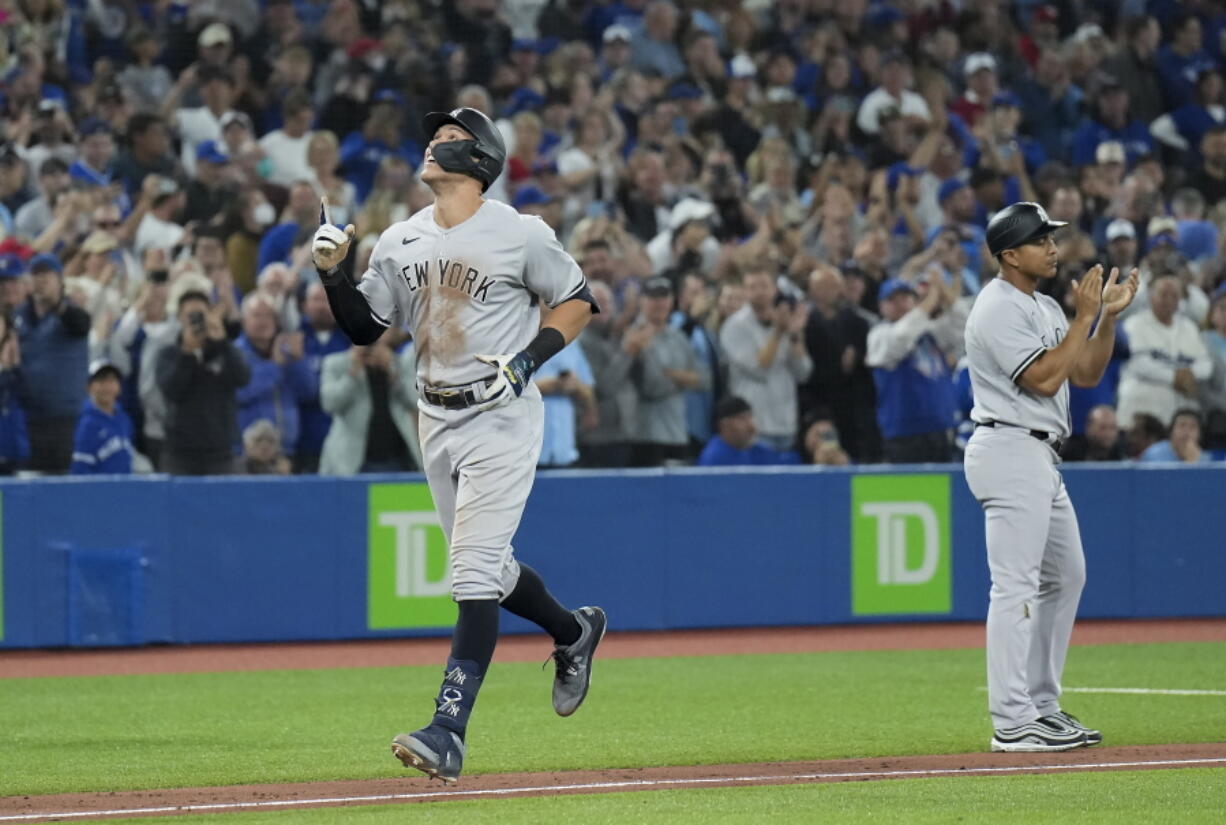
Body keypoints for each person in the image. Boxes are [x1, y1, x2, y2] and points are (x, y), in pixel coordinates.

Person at [310, 106, 607, 783]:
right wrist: (333, 272)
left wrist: (530, 358)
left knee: (470, 573)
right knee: (492, 573)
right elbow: (365, 327)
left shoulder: (519, 231)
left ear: (481, 159)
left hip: (501, 415)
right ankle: (573, 631)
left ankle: (447, 731)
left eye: (449, 137)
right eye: (433, 136)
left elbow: (577, 298)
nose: (432, 143)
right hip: (433, 417)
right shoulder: (398, 238)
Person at [963, 201, 1139, 753]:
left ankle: (1040, 704)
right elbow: (1042, 379)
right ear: (1009, 254)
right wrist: (1084, 317)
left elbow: (1082, 372)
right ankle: (1011, 720)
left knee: (1067, 576)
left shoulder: (1039, 304)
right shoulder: (996, 308)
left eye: (1051, 237)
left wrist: (1105, 319)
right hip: (1009, 445)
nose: (1052, 246)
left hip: (1037, 455)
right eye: (1039, 239)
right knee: (1014, 587)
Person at [865, 277, 963, 463]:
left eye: (905, 298)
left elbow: (962, 326)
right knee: (908, 492)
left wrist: (946, 294)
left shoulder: (930, 333)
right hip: (904, 435)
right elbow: (901, 337)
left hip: (942, 429)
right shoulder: (879, 335)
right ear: (881, 306)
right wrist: (929, 302)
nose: (900, 304)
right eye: (892, 300)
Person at [155, 288, 250, 475]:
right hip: (179, 453)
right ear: (180, 318)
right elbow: (171, 390)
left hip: (220, 452)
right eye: (191, 315)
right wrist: (187, 354)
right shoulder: (169, 354)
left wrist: (222, 342)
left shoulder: (224, 351)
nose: (196, 320)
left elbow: (243, 377)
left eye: (201, 314)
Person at [719, 268, 811, 451]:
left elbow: (803, 373)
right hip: (753, 426)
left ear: (775, 289)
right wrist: (778, 331)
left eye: (764, 286)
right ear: (745, 291)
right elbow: (760, 369)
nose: (759, 291)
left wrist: (793, 335)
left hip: (786, 422)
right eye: (752, 287)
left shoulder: (785, 320)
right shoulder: (734, 326)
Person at [15, 253, 90, 473]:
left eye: (47, 274)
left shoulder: (71, 313)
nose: (42, 280)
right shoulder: (19, 316)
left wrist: (57, 303)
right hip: (27, 418)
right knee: (26, 485)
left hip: (63, 420)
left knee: (60, 486)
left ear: (60, 280)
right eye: (36, 274)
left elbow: (81, 325)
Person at [625, 276, 710, 465]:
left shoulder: (678, 336)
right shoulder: (633, 335)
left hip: (677, 431)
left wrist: (673, 375)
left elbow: (706, 380)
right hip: (645, 434)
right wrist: (684, 379)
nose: (660, 304)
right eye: (653, 298)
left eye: (664, 298)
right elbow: (652, 387)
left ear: (672, 301)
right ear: (642, 300)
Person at [1116, 275, 1211, 430]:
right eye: (1164, 294)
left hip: (1178, 413)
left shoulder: (1189, 327)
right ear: (1151, 296)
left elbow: (1206, 364)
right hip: (1140, 412)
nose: (1169, 300)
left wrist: (1190, 374)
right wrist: (1176, 378)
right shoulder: (1134, 324)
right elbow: (1139, 364)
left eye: (1174, 295)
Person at [318, 341, 422, 475]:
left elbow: (415, 402)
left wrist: (393, 373)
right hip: (352, 462)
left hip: (398, 460)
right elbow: (328, 404)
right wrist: (352, 374)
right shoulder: (336, 363)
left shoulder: (397, 362)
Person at [70, 360, 135, 474]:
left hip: (124, 487)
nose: (107, 386)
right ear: (89, 387)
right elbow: (80, 468)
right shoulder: (88, 424)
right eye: (101, 381)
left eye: (112, 380)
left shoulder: (124, 419)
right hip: (100, 489)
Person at [696, 395, 800, 466]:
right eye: (743, 419)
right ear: (724, 425)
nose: (751, 426)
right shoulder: (713, 458)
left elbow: (788, 463)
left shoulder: (757, 451)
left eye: (750, 418)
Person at [1138, 409, 1210, 463]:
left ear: (1199, 435)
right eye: (1182, 425)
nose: (1186, 431)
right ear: (1171, 431)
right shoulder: (1153, 455)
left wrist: (1194, 463)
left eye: (1192, 427)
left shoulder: (1204, 459)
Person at [1060, 404, 1126, 462]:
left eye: (1112, 427)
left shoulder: (1123, 451)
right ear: (1089, 428)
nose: (1108, 433)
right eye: (1103, 428)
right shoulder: (1071, 453)